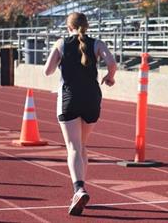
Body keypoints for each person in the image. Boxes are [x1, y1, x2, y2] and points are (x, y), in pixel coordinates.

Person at [43, 12, 117, 216]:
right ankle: (80, 188)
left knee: (73, 147)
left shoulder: (61, 43)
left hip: (69, 97)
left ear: (68, 27)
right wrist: (110, 77)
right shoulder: (97, 43)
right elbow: (112, 62)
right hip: (92, 97)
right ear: (87, 26)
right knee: (82, 146)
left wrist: (60, 59)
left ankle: (78, 189)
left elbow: (47, 71)